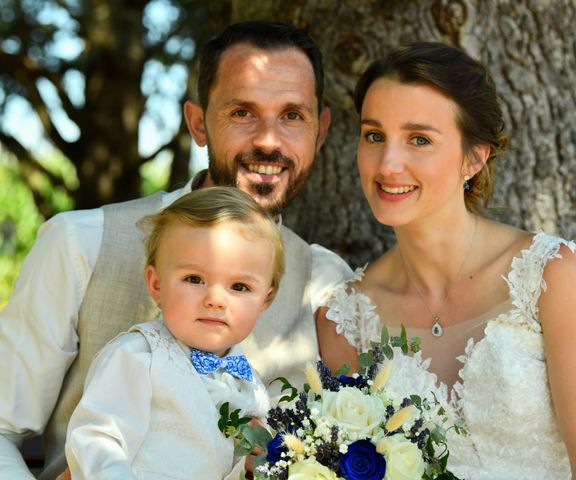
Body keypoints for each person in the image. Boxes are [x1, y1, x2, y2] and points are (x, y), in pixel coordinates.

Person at [0, 21, 351, 479]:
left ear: (320, 131)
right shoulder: (79, 243)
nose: (269, 139)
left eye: (292, 115)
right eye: (242, 112)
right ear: (198, 123)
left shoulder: (323, 281)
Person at [316, 42, 576, 479]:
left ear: (474, 158)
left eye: (419, 139)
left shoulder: (549, 274)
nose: (388, 163)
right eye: (374, 135)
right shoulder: (344, 317)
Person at [65, 186, 278, 480]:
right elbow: (98, 442)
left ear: (265, 300)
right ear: (156, 284)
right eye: (194, 279)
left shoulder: (249, 381)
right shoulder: (138, 357)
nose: (215, 299)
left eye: (239, 287)